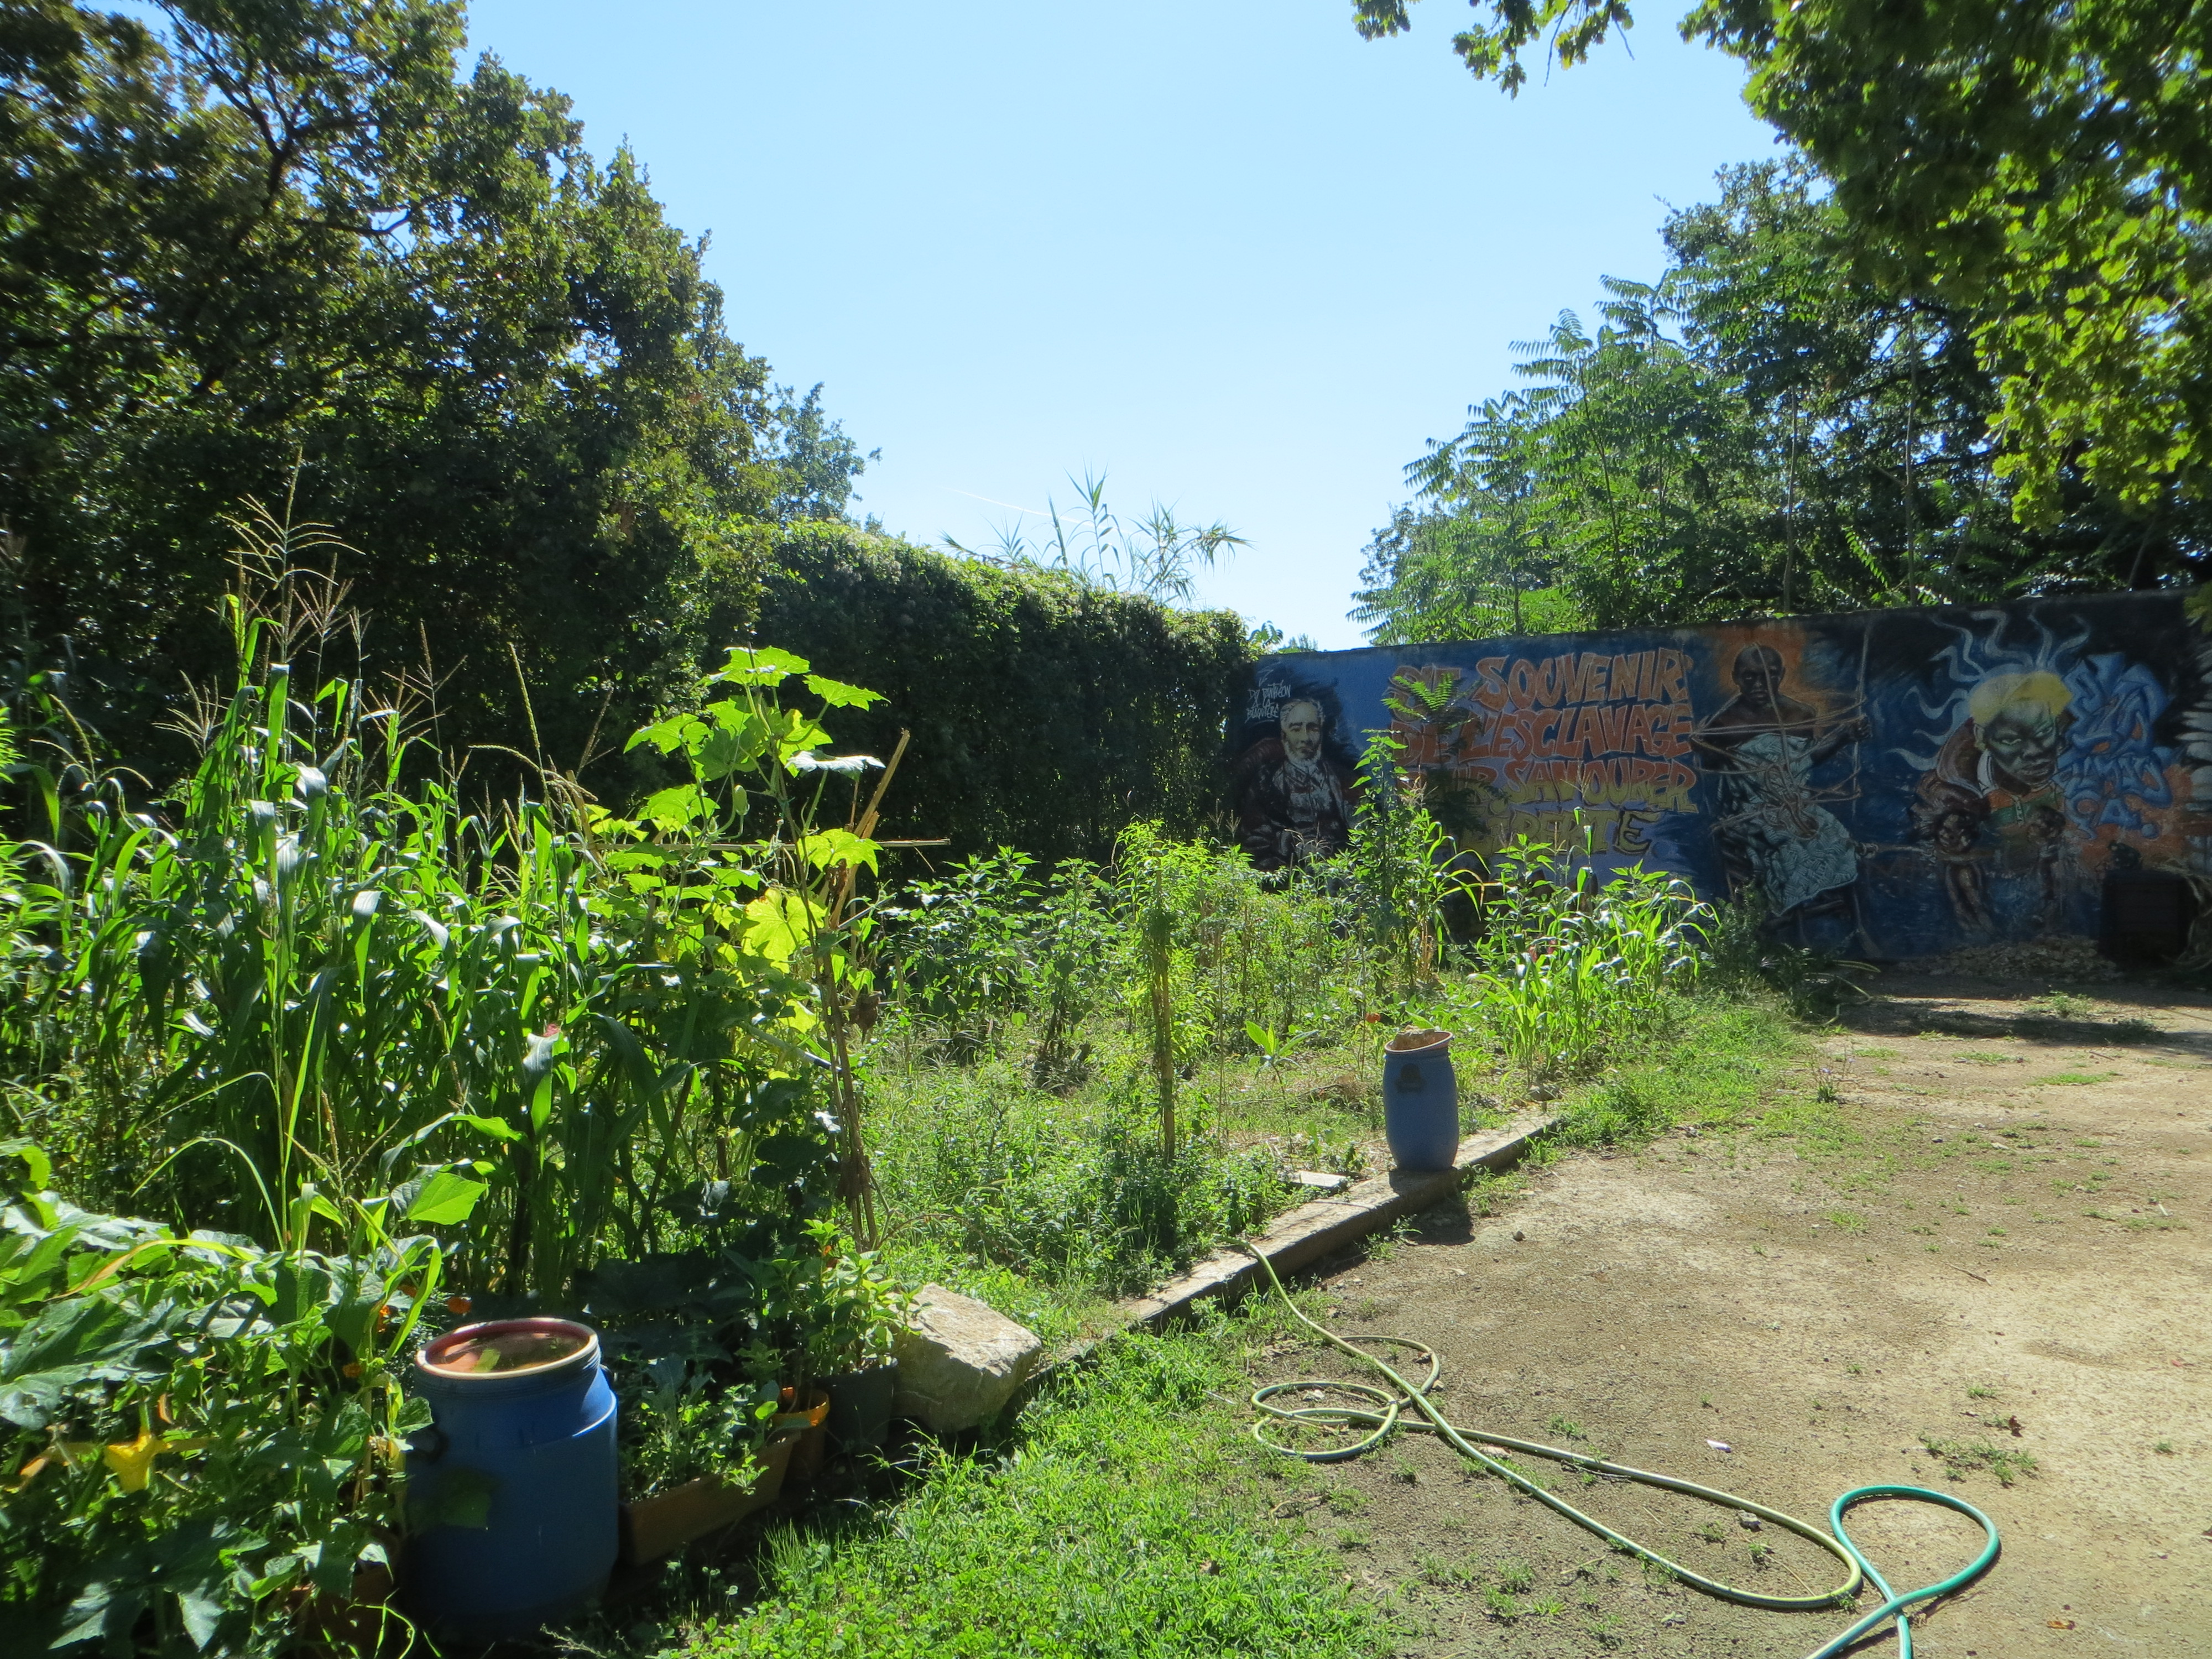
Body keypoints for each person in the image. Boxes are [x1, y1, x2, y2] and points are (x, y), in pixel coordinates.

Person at [1689, 644, 1868, 917]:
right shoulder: (1723, 723)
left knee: (1835, 837)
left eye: (1769, 675)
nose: (1760, 684)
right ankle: (1785, 912)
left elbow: (1804, 761)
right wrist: (1704, 748)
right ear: (1736, 677)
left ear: (1781, 675)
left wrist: (1843, 735)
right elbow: (1717, 770)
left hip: (1794, 804)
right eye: (1750, 677)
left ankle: (1814, 910)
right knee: (1787, 843)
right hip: (1750, 810)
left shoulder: (1802, 714)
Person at [1234, 697, 1355, 870]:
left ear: (1321, 732)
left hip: (1340, 874)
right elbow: (1253, 840)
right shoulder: (1266, 781)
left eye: (1312, 728)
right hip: (1288, 876)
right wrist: (1294, 846)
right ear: (1284, 735)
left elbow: (1364, 832)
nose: (1305, 737)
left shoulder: (1343, 780)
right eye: (1296, 729)